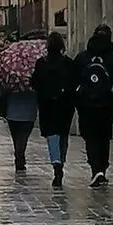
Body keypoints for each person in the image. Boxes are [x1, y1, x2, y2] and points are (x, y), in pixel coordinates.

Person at [73, 24, 113, 187]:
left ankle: (95, 168)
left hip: (86, 106)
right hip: (106, 106)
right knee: (104, 138)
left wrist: (78, 102)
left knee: (90, 137)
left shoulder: (82, 57)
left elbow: (73, 81)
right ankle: (102, 169)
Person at [30, 31, 77, 187]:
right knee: (63, 134)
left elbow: (35, 84)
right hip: (65, 105)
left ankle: (56, 162)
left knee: (52, 134)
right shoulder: (69, 63)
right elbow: (74, 83)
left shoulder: (41, 63)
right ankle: (61, 161)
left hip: (47, 105)